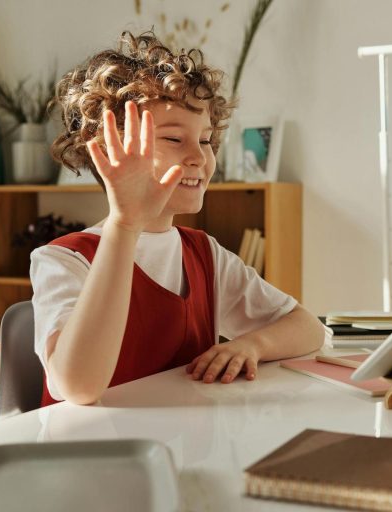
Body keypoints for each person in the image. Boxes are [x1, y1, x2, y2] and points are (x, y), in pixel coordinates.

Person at [31, 31, 325, 406]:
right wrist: (125, 224)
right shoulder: (62, 261)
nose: (199, 158)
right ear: (109, 152)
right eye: (174, 140)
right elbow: (79, 386)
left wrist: (252, 344)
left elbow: (308, 328)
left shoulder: (204, 254)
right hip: (90, 455)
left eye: (205, 141)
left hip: (181, 448)